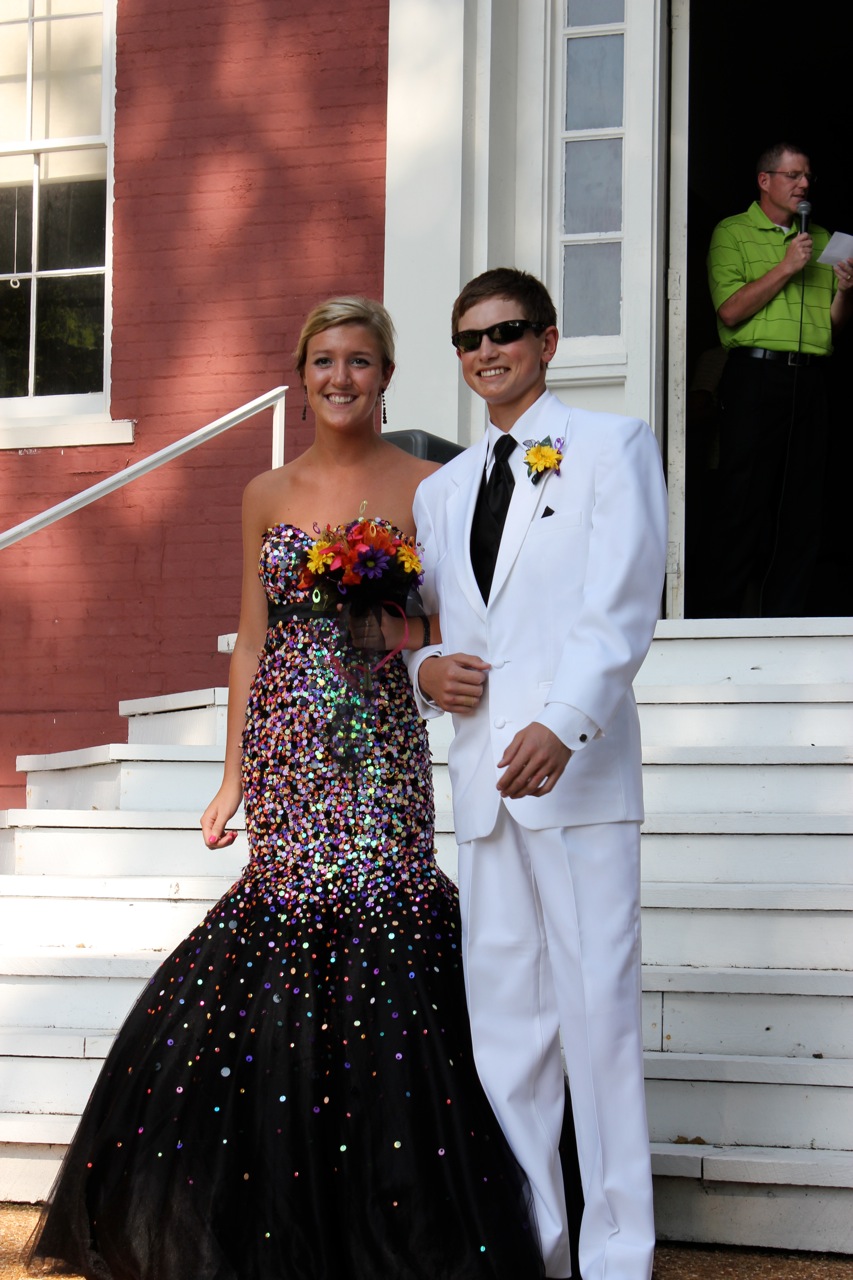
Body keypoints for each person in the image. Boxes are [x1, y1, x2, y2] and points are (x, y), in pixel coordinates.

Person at [26, 296, 546, 1280]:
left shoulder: (431, 486)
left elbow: (462, 622)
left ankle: (398, 1210)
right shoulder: (264, 491)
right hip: (286, 748)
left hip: (378, 739)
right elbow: (251, 640)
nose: (341, 376)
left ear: (386, 375)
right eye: (323, 361)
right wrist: (231, 773)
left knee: (389, 917)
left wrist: (401, 638)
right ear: (301, 377)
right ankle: (273, 1209)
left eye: (359, 360)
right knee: (286, 925)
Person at [405, 268, 668, 1280]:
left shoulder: (611, 445)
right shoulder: (438, 491)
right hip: (482, 791)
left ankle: (618, 1251)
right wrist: (425, 671)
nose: (487, 352)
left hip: (578, 780)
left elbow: (624, 601)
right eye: (469, 338)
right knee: (506, 1032)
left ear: (547, 341)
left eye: (506, 331)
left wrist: (564, 722)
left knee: (598, 1020)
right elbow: (433, 628)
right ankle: (536, 1245)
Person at [705, 141, 853, 616]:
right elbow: (730, 311)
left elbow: (832, 327)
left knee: (803, 506)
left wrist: (845, 292)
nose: (804, 184)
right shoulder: (732, 232)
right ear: (764, 181)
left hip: (809, 380)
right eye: (793, 175)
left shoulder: (824, 238)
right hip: (755, 376)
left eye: (808, 176)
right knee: (743, 501)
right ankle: (723, 620)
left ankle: (786, 621)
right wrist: (788, 266)